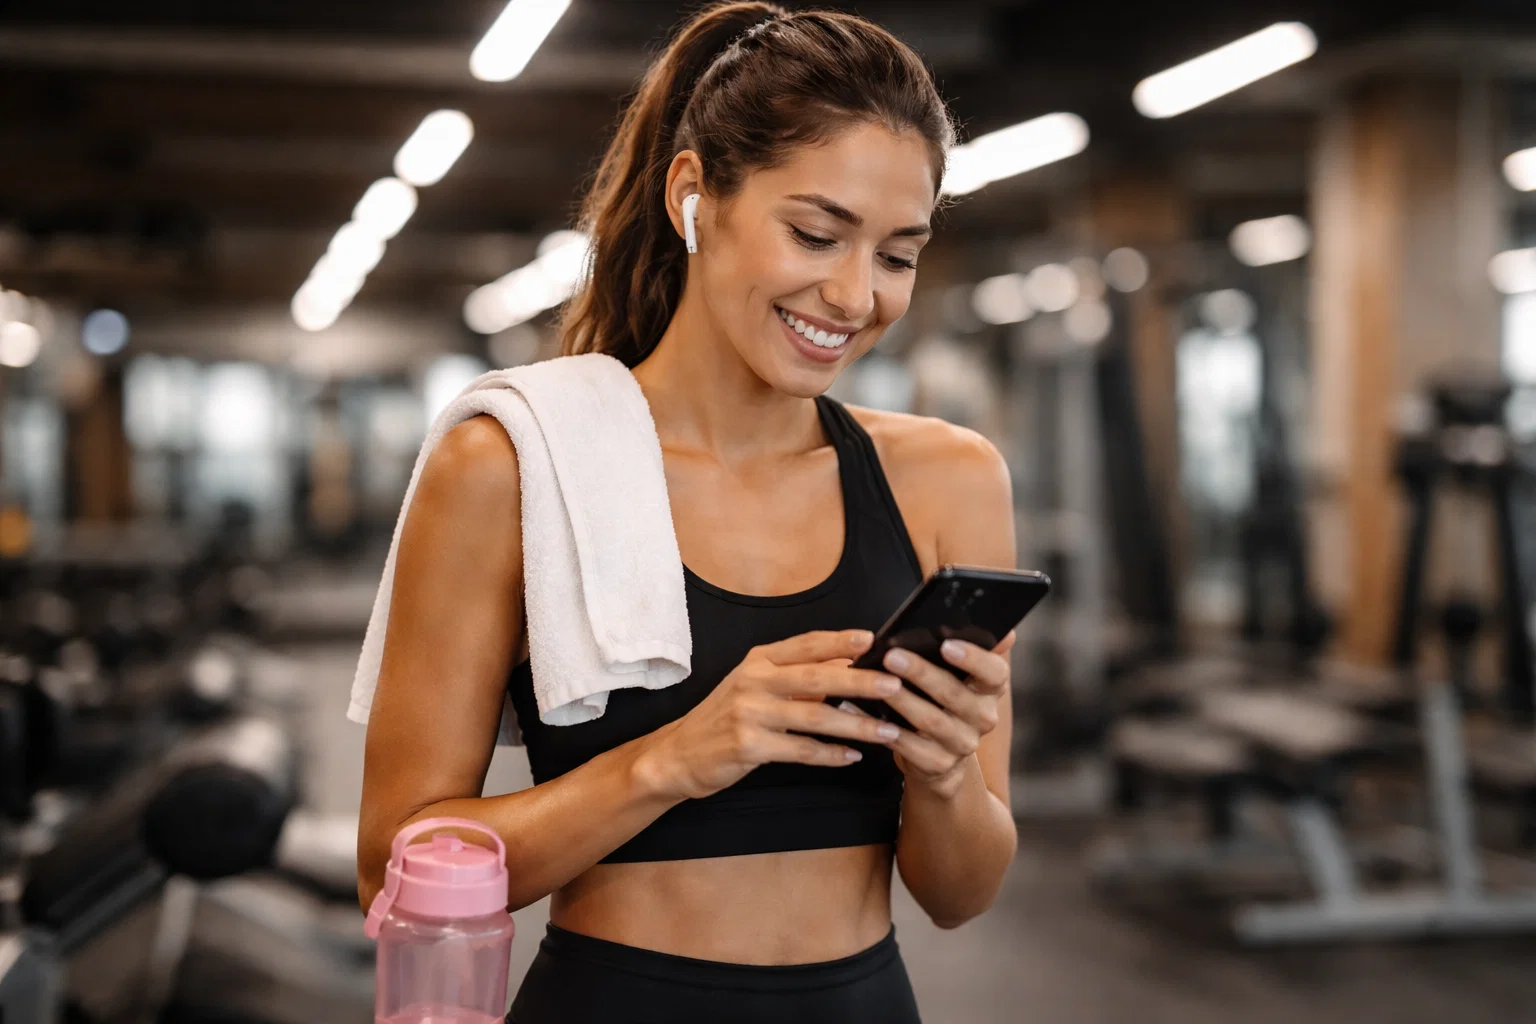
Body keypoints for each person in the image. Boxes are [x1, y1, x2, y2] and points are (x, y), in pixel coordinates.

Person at [357, 4, 1019, 1021]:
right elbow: (394, 865)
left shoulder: (948, 479)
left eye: (897, 255)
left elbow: (961, 895)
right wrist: (675, 758)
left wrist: (942, 775)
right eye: (815, 235)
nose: (855, 296)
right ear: (692, 197)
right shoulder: (514, 464)